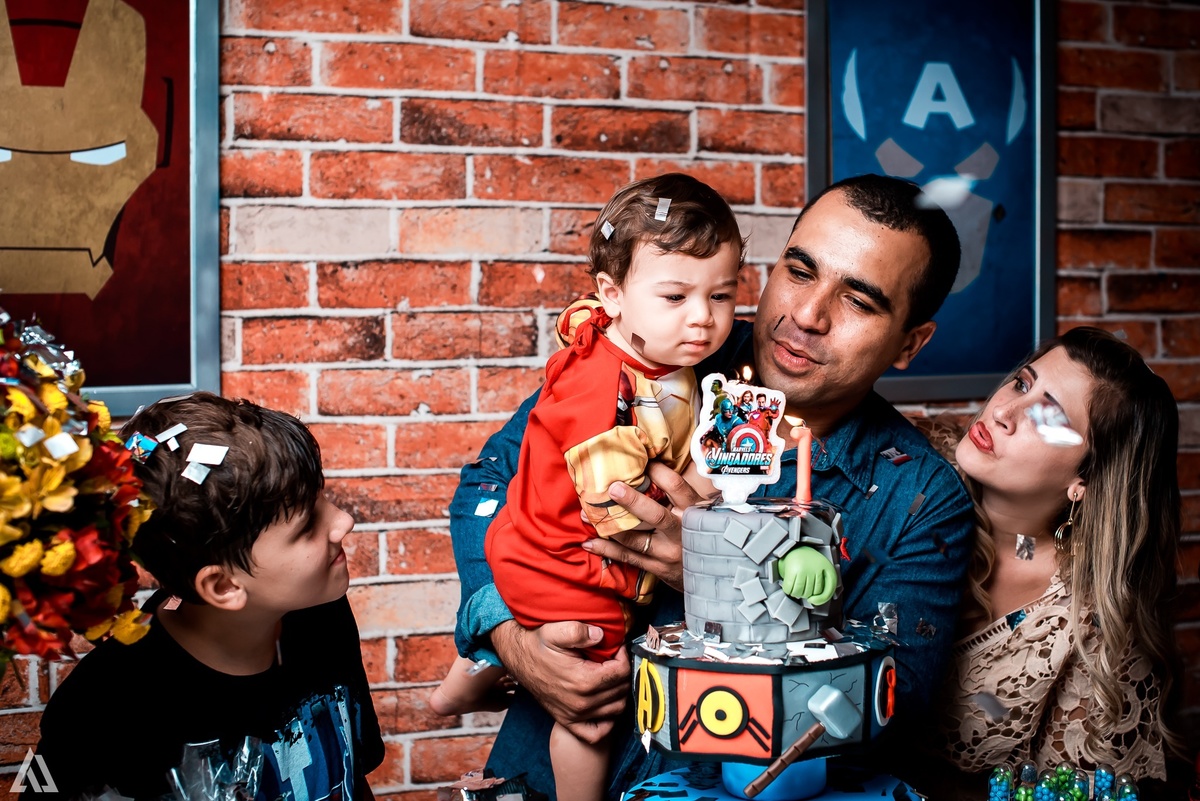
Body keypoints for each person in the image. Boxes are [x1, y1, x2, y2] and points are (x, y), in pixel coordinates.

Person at [449, 173, 976, 800]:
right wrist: (510, 636)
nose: (807, 315)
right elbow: (492, 480)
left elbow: (889, 709)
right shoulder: (663, 347)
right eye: (799, 272)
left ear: (910, 344)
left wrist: (722, 573)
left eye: (859, 301)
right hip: (544, 773)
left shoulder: (920, 497)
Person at [430, 173, 744, 801]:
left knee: (534, 625)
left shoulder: (647, 352)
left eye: (723, 295)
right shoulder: (601, 391)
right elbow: (614, 509)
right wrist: (702, 483)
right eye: (676, 296)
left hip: (531, 547)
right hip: (567, 558)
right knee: (593, 708)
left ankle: (465, 679)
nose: (704, 319)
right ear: (613, 293)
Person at [29, 393, 383, 800]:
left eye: (323, 498)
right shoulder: (99, 711)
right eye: (306, 528)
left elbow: (351, 776)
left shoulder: (318, 614)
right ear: (223, 587)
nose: (344, 521)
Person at [919, 327, 1183, 791]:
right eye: (1022, 384)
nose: (1002, 411)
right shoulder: (913, 467)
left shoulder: (1088, 632)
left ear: (1084, 480)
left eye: (1046, 417)